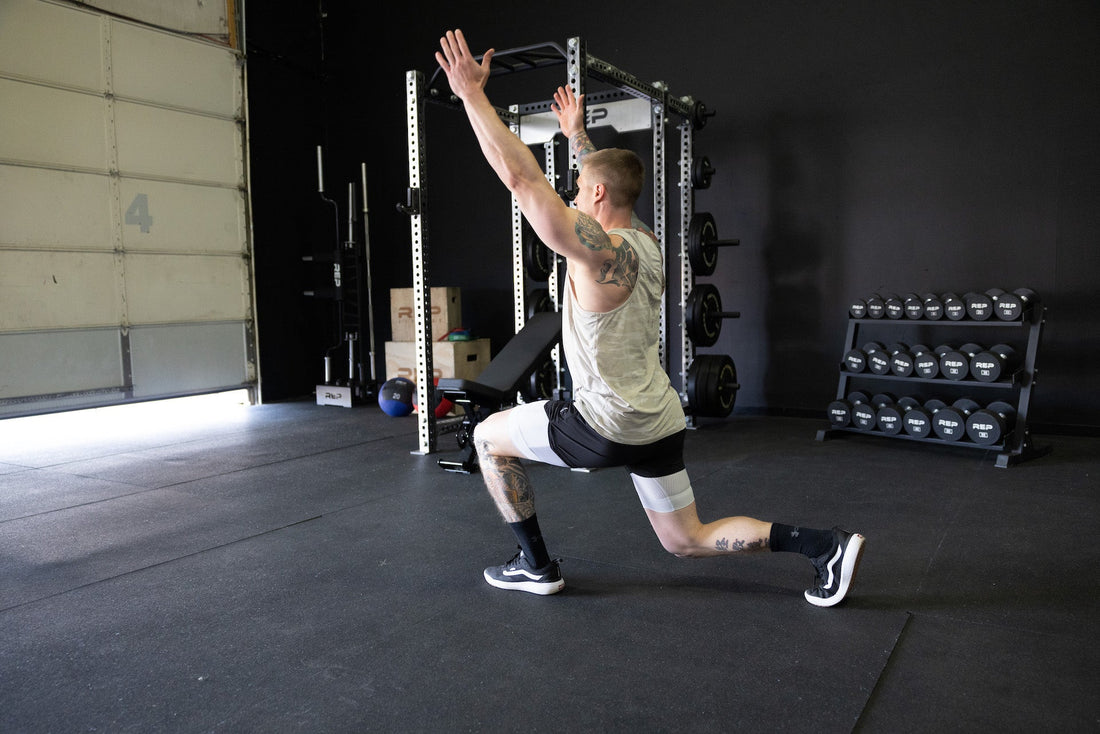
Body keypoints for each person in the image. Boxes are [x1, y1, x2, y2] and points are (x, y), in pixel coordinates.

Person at [435, 29, 865, 607]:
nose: (573, 192)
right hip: (659, 417)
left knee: (488, 438)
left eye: (580, 189)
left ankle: (534, 565)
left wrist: (471, 97)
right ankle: (823, 546)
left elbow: (522, 180)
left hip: (603, 422)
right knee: (685, 539)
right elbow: (602, 175)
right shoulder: (645, 239)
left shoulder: (598, 251)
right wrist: (578, 136)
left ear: (597, 198)